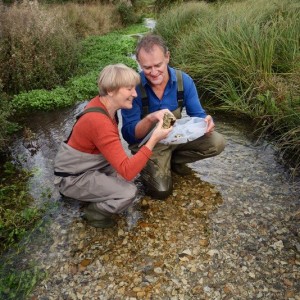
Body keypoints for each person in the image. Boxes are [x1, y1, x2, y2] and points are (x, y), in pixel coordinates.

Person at [54, 63, 173, 228]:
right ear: (110, 90)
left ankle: (93, 198)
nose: (135, 93)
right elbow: (128, 170)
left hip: (88, 168)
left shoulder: (105, 106)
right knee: (128, 192)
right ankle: (93, 213)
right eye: (129, 89)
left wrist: (152, 116)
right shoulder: (99, 121)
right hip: (72, 178)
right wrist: (154, 138)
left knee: (127, 180)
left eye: (134, 88)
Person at [121, 33, 225, 200]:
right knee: (161, 191)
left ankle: (173, 161)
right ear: (139, 63)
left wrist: (206, 122)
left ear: (167, 57)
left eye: (158, 65)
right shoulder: (133, 88)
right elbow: (128, 135)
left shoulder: (184, 81)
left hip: (176, 138)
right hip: (149, 146)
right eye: (147, 68)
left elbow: (197, 114)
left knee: (217, 142)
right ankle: (153, 165)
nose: (154, 72)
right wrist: (151, 118)